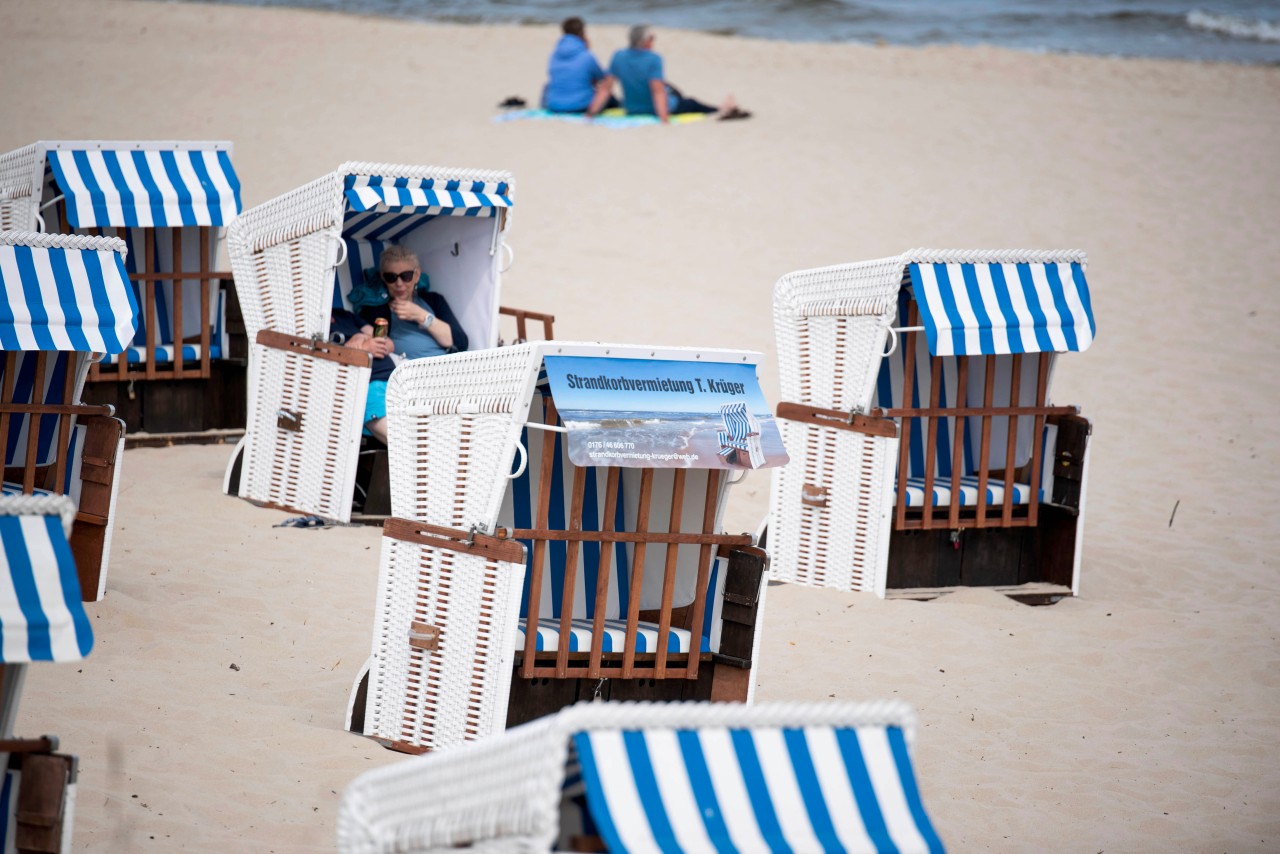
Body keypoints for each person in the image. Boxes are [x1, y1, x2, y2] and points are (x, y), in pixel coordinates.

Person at [334, 245, 468, 443]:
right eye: (391, 277)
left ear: (416, 275)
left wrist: (421, 315)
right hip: (409, 376)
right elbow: (379, 347)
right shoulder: (375, 310)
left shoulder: (433, 301)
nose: (399, 283)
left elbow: (459, 341)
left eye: (405, 276)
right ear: (383, 278)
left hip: (447, 372)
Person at [608, 25, 747, 123]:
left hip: (631, 109)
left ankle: (723, 107)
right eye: (652, 38)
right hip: (654, 109)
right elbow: (657, 91)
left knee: (670, 88)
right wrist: (664, 119)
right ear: (646, 41)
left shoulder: (618, 56)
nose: (653, 41)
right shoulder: (653, 59)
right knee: (691, 103)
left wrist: (590, 114)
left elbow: (605, 88)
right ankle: (721, 109)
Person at [541, 16, 617, 118]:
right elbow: (601, 78)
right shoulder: (586, 56)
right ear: (582, 33)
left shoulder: (554, 55)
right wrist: (587, 48)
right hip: (580, 105)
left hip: (554, 105)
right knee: (610, 97)